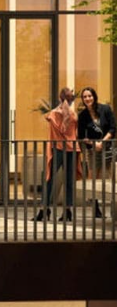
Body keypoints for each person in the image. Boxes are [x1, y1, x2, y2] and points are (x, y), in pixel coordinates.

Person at [35, 86, 79, 222]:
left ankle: (44, 209)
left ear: (60, 98)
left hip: (58, 149)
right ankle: (67, 211)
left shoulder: (54, 114)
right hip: (72, 149)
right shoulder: (73, 115)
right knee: (69, 180)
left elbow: (55, 130)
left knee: (49, 178)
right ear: (71, 100)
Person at [79, 86, 114, 218]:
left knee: (112, 178)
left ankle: (113, 208)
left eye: (90, 96)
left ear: (94, 96)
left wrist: (102, 142)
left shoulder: (105, 109)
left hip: (109, 149)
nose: (88, 98)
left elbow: (112, 128)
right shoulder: (82, 115)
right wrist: (93, 144)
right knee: (93, 177)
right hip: (93, 150)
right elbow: (82, 135)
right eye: (85, 97)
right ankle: (95, 208)